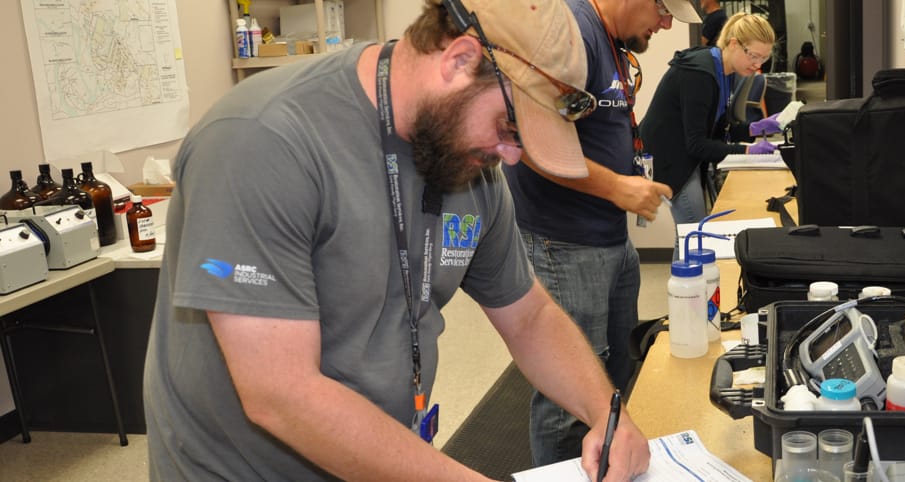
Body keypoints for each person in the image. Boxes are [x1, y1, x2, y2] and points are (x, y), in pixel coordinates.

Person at [142, 0, 651, 480]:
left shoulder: (472, 168)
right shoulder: (262, 140)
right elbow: (281, 394)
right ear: (459, 61)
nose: (512, 156)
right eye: (508, 125)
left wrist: (608, 414)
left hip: (381, 455)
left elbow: (530, 316)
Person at [503, 0, 701, 467]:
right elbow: (526, 138)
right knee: (568, 400)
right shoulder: (569, 31)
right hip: (565, 244)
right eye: (663, 10)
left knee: (611, 380)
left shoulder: (608, 43)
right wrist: (616, 187)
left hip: (609, 239)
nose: (667, 24)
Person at [641, 13, 777, 224]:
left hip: (687, 152)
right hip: (669, 157)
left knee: (691, 235)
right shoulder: (701, 74)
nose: (757, 64)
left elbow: (719, 131)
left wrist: (755, 129)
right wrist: (748, 150)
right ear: (734, 44)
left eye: (764, 58)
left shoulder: (726, 70)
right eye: (753, 55)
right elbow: (697, 145)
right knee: (694, 233)